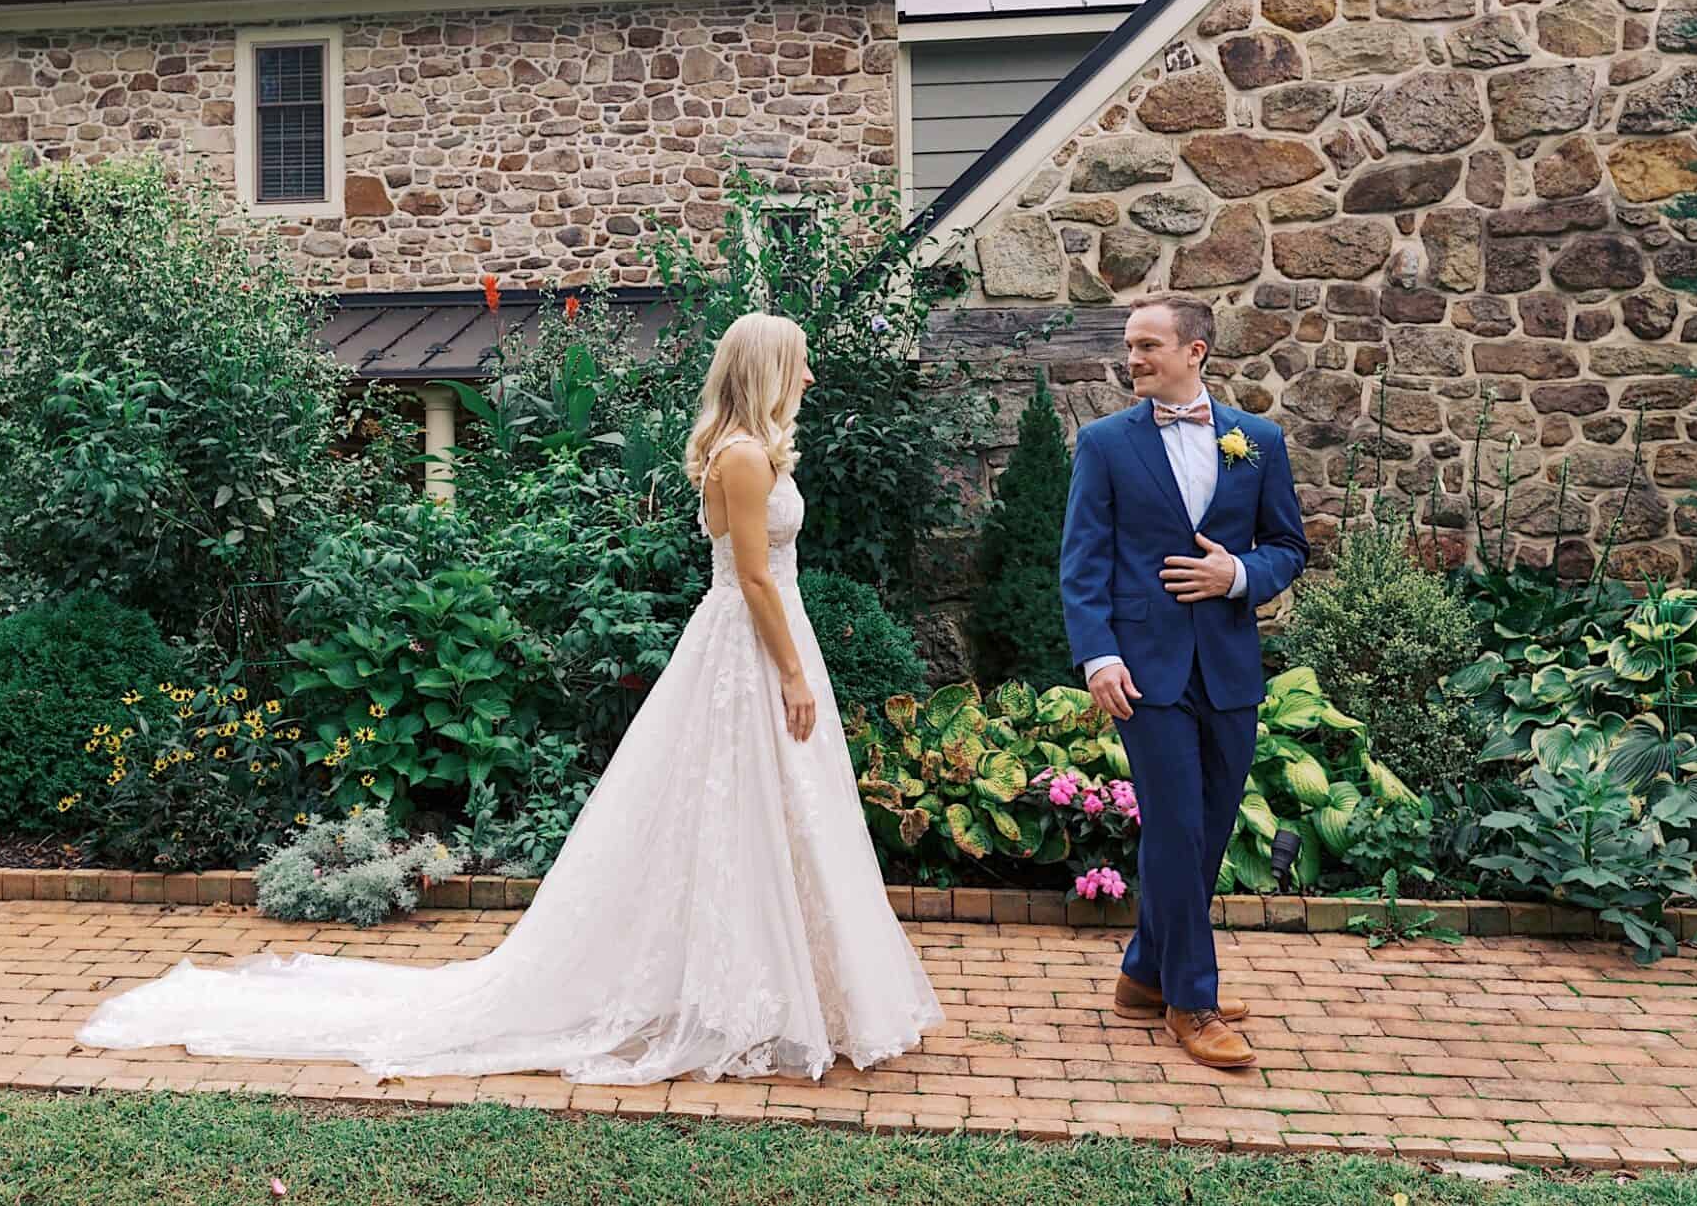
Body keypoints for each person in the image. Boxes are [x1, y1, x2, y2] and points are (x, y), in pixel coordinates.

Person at [78, 311, 941, 1083]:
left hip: (752, 641)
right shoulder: (747, 457)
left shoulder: (743, 450)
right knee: (751, 808)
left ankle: (794, 993)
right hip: (755, 646)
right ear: (766, 370)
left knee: (769, 814)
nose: (811, 376)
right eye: (800, 362)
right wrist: (792, 671)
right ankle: (766, 997)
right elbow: (754, 576)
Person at [1060, 295, 1308, 1069]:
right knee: (1175, 825)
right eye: (1129, 346)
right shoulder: (1104, 444)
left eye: (1147, 345)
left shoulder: (1257, 441)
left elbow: (1289, 547)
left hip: (1230, 665)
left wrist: (1237, 572)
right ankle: (1190, 1001)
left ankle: (1143, 972)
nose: (1132, 357)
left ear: (1195, 351)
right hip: (1145, 668)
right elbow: (1082, 560)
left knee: (1212, 822)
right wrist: (1099, 655)